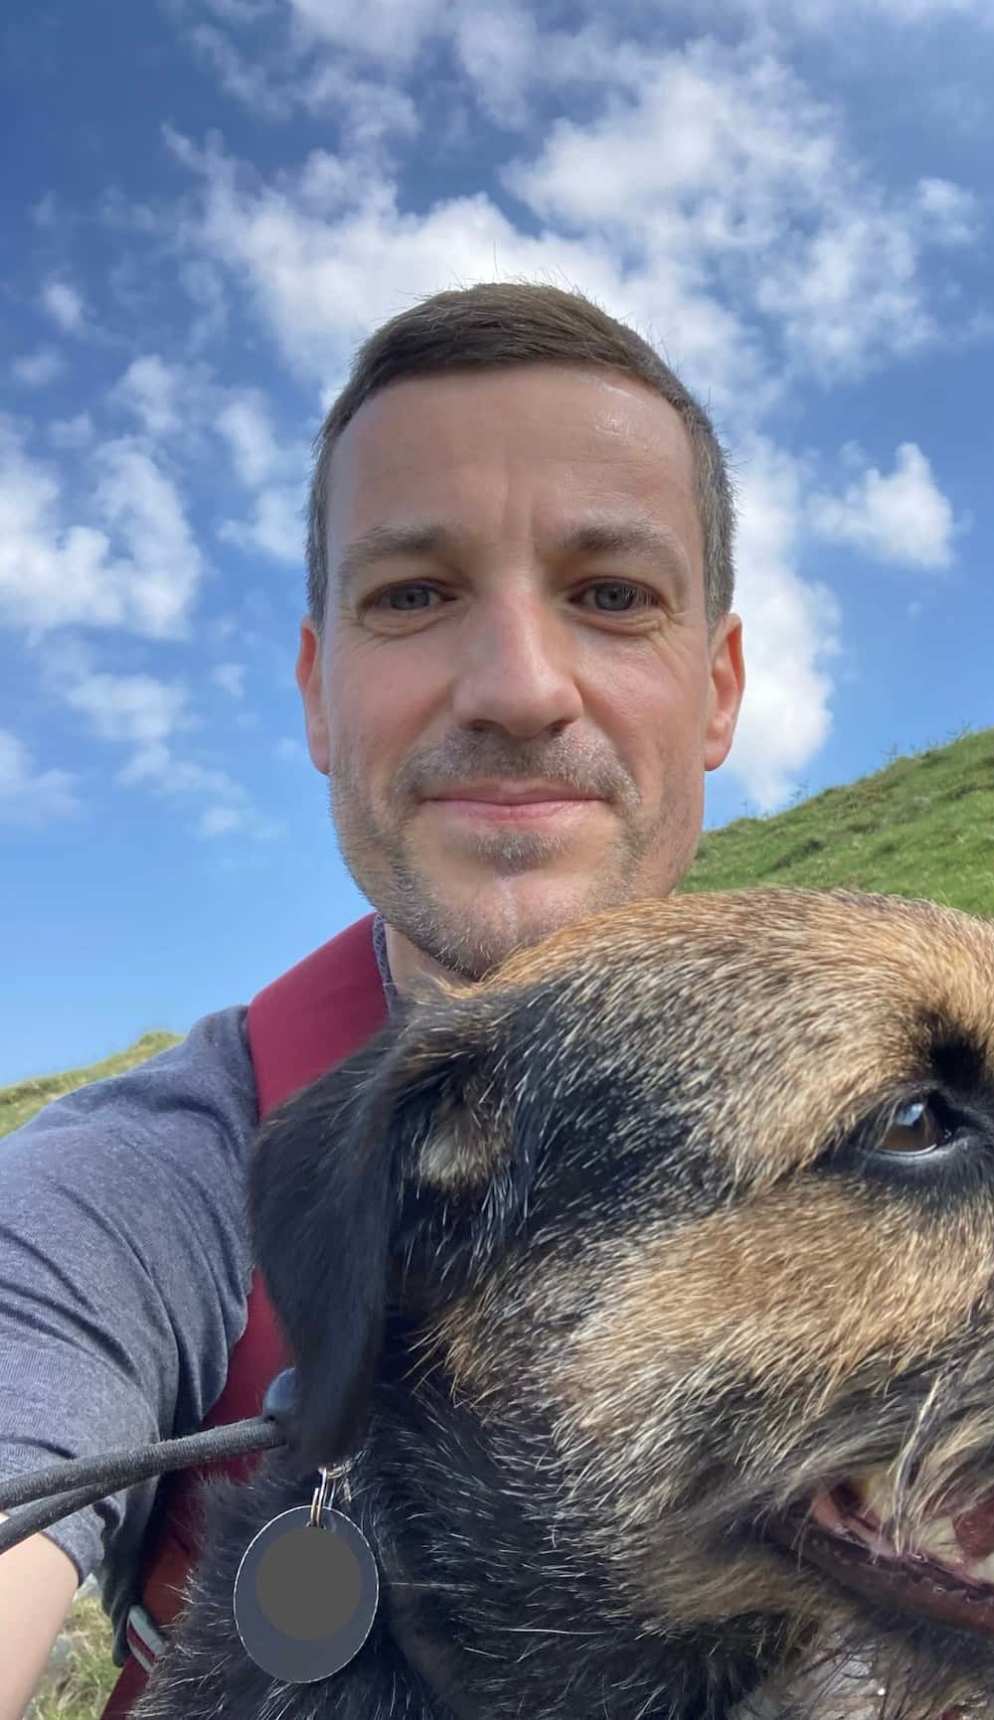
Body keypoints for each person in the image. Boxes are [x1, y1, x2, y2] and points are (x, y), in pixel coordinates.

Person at [0, 280, 746, 1720]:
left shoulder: (941, 1118)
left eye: (610, 595)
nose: (521, 688)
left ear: (715, 686)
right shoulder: (127, 1196)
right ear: (317, 692)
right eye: (413, 594)